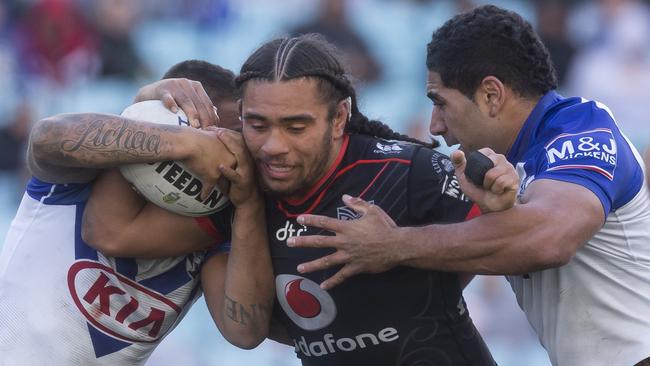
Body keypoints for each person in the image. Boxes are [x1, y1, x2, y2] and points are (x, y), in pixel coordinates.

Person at [86, 34, 520, 365]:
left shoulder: (407, 171)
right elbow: (112, 233)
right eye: (257, 125)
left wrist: (404, 252)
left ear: (339, 119)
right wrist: (143, 111)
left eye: (296, 127)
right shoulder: (240, 187)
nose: (273, 145)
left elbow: (515, 241)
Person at [288, 6, 650, 366]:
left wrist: (392, 244)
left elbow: (549, 240)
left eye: (440, 103)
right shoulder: (508, 167)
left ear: (491, 95)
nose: (435, 126)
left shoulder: (584, 130)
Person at [0, 60, 273, 365]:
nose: (235, 150)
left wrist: (249, 207)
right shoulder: (84, 174)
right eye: (225, 133)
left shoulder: (219, 229)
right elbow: (45, 138)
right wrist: (183, 141)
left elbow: (244, 332)